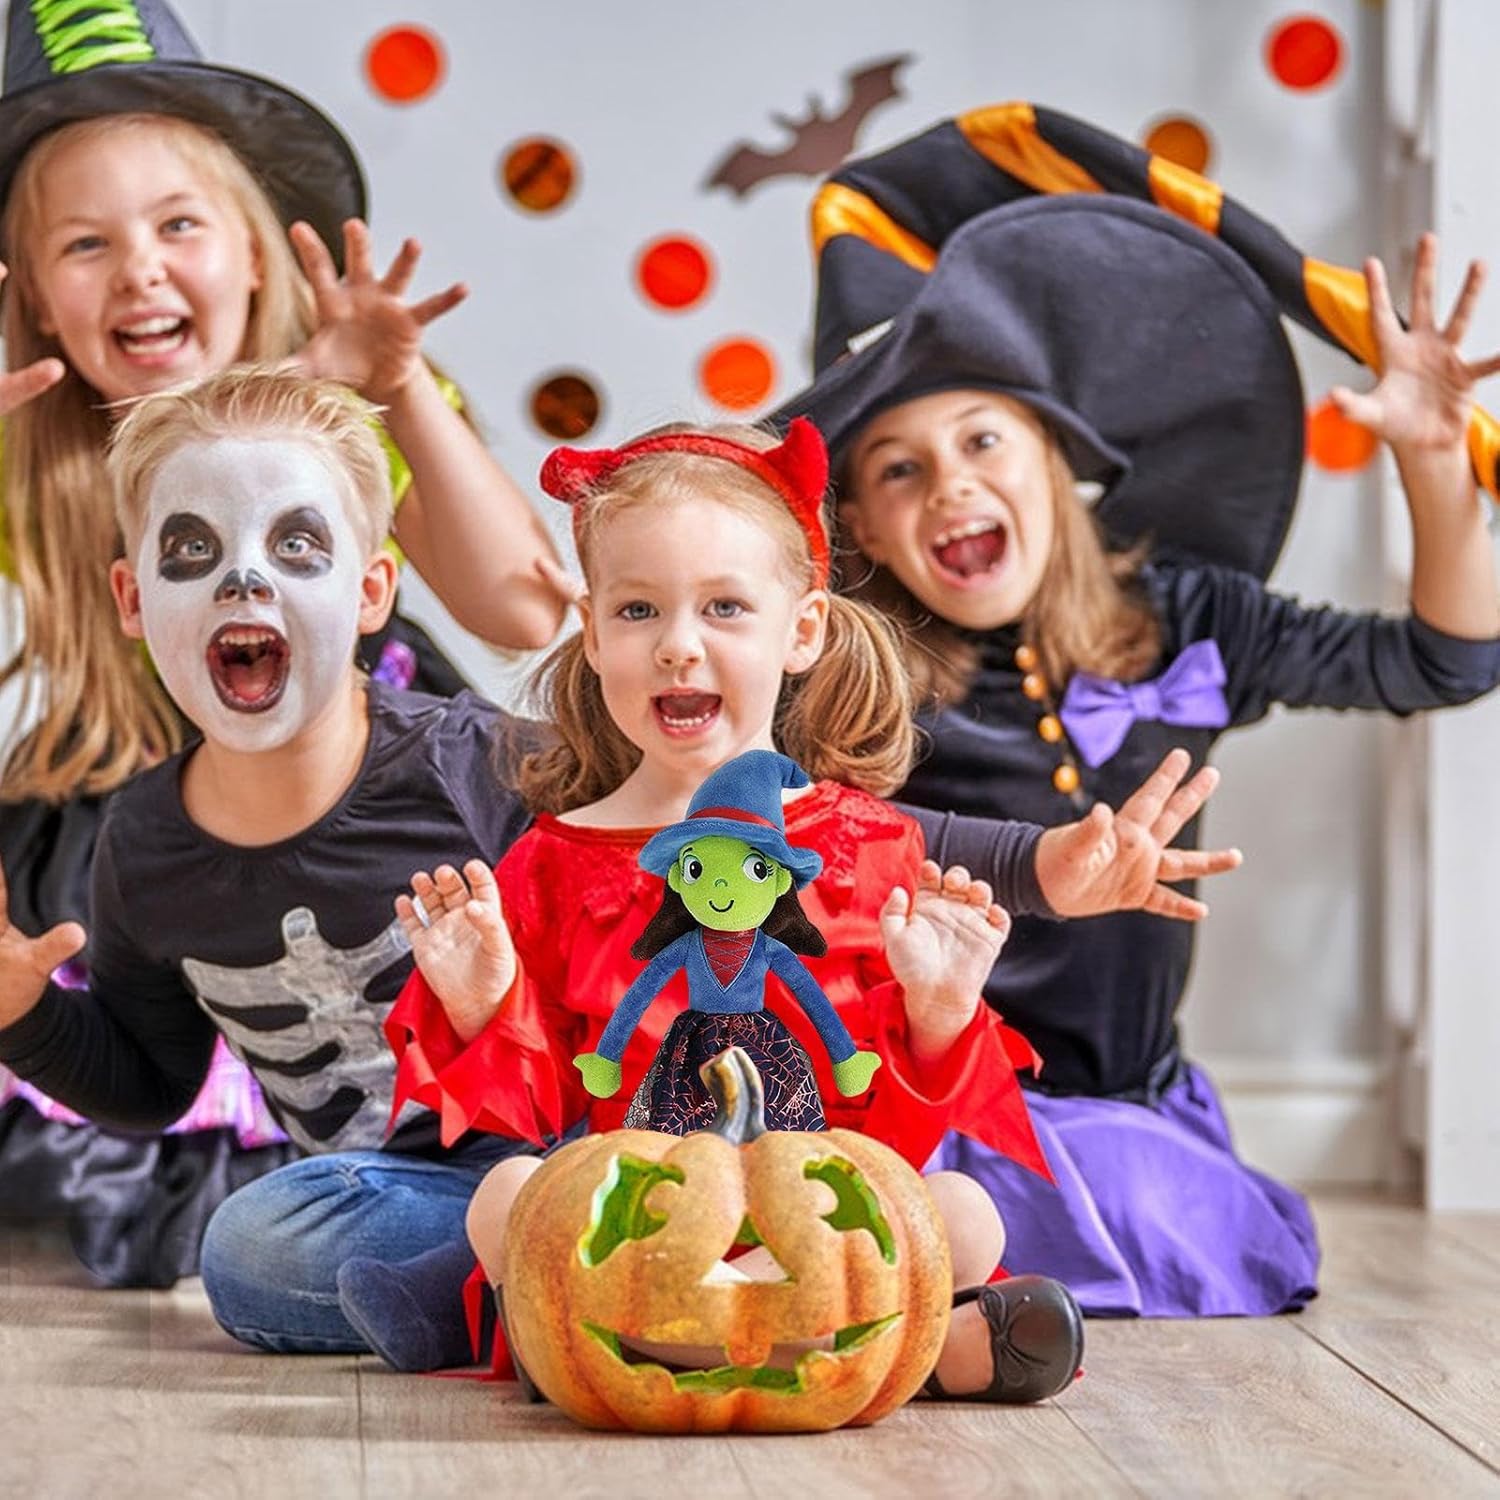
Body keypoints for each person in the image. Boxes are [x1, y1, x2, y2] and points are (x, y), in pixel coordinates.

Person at [774, 102, 1500, 1317]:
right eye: (900, 467)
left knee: (1177, 1211)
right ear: (862, 529)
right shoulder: (846, 678)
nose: (951, 483)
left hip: (1133, 1105)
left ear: (1056, 461)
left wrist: (1433, 461)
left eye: (983, 440)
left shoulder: (1187, 617)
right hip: (930, 1104)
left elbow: (1446, 663)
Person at [341, 415, 1235, 1394]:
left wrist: (940, 1014)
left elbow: (894, 1138)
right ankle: (908, 1355)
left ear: (801, 629)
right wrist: (483, 1001)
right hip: (643, 1227)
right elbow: (538, 1109)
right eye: (638, 611)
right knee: (505, 1199)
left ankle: (636, 1348)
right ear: (592, 633)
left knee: (966, 1214)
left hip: (815, 1223)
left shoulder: (867, 847)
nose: (679, 646)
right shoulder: (552, 861)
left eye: (724, 607)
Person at [0, 0, 565, 1284]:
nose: (139, 271)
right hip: (148, 827)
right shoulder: (24, 453)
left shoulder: (346, 408)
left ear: (255, 256)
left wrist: (390, 390)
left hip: (375, 803)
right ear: (31, 295)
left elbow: (524, 613)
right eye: (85, 243)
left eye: (177, 225)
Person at [0, 365, 546, 1343]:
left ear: (371, 591)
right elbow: (151, 1083)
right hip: (387, 1194)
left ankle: (506, 1279)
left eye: (296, 544)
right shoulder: (146, 844)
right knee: (247, 1250)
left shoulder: (484, 767)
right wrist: (23, 1014)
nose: (243, 579)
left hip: (561, 1140)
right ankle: (536, 1283)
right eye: (191, 549)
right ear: (131, 599)